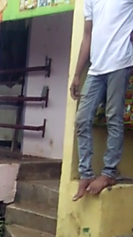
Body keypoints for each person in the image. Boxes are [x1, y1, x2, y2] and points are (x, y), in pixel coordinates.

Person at [70, 0, 133, 201]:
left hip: (120, 63)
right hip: (96, 69)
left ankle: (108, 173)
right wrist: (78, 73)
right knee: (82, 119)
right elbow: (87, 34)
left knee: (113, 117)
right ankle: (86, 174)